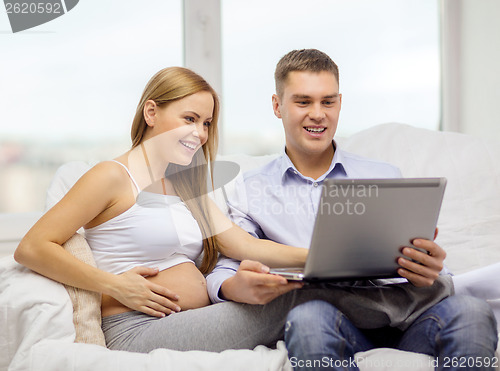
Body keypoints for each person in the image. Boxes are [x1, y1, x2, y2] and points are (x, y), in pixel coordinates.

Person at [207, 49, 498, 370]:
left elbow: (427, 268)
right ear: (277, 106)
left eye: (328, 102)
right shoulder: (251, 189)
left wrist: (429, 270)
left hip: (405, 319)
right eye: (303, 102)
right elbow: (225, 269)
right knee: (307, 317)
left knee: (472, 310)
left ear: (340, 103)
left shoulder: (383, 175)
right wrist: (232, 286)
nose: (317, 114)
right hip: (329, 322)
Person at [14, 66, 308, 352]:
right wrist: (114, 285)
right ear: (151, 112)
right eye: (189, 118)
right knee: (299, 297)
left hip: (185, 320)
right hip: (135, 328)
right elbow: (32, 247)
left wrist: (321, 259)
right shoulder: (112, 176)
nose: (201, 133)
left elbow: (244, 245)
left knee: (313, 295)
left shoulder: (186, 185)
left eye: (206, 123)